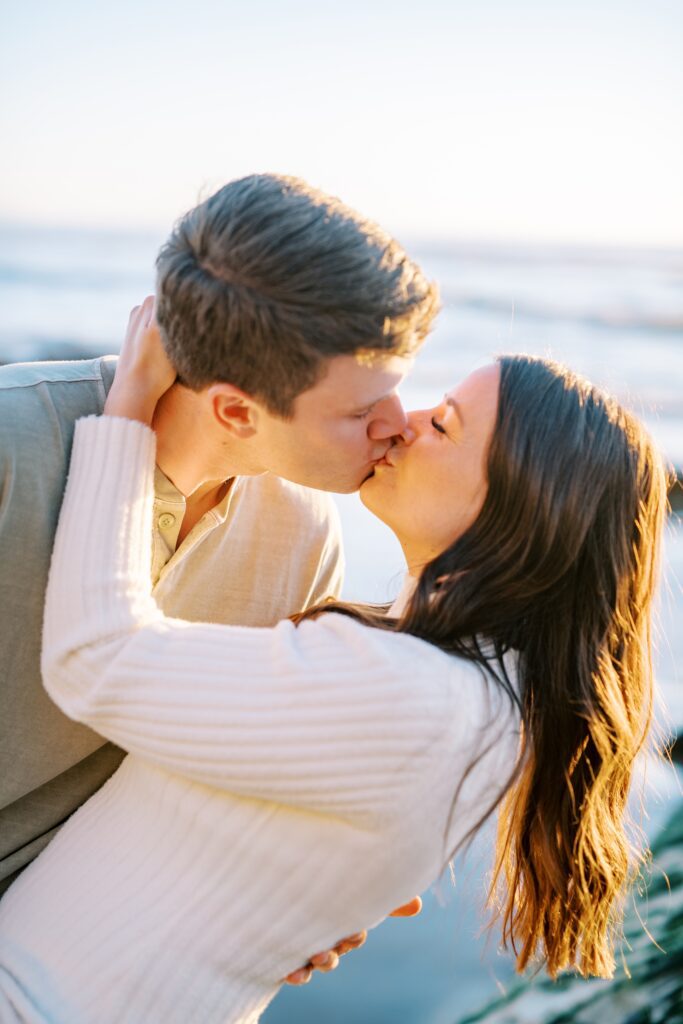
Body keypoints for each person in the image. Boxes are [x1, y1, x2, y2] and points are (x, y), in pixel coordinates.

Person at [0, 314, 667, 1023]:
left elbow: (98, 657)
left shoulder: (415, 692)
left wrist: (128, 403)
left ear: (516, 508)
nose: (403, 423)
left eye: (443, 425)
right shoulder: (469, 695)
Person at [0, 174, 437, 976]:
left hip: (75, 961)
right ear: (237, 411)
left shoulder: (304, 535)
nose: (397, 427)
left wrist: (283, 898)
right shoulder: (11, 445)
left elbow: (222, 787)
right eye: (359, 410)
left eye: (399, 391)